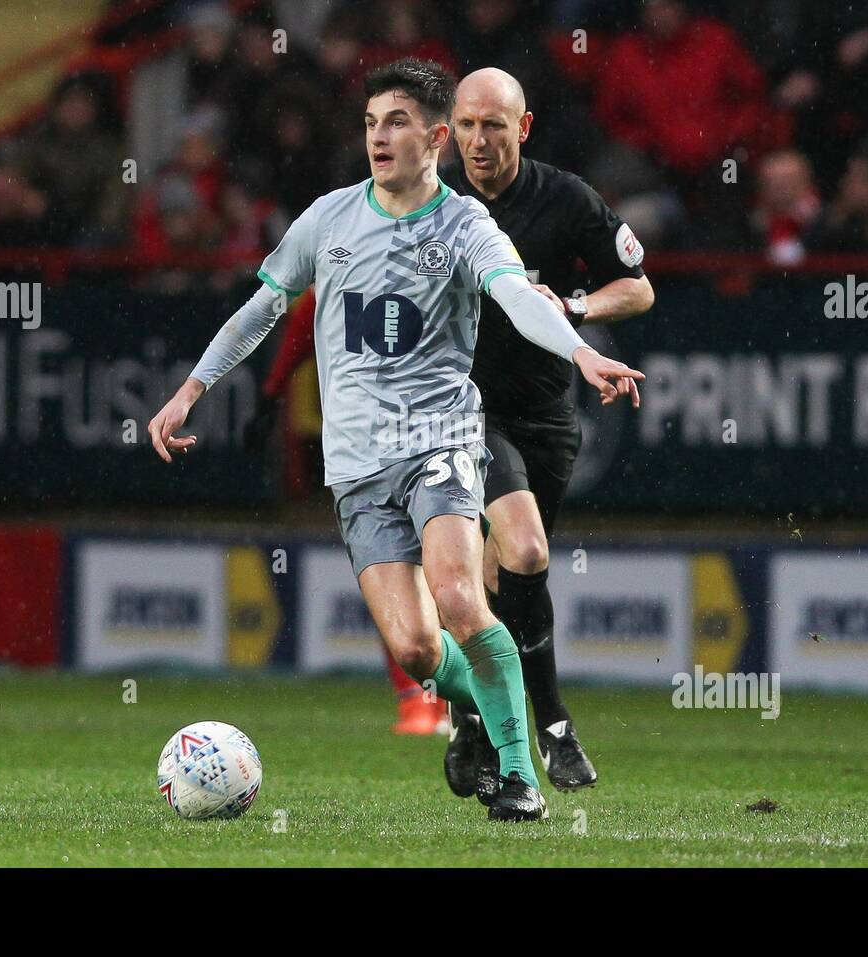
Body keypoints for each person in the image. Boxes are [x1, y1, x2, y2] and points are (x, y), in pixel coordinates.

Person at [148, 58, 644, 822]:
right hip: (356, 463)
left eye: (398, 122)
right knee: (416, 648)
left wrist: (581, 348)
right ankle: (481, 706)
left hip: (442, 440)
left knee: (458, 595)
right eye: (372, 122)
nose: (379, 136)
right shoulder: (329, 218)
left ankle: (519, 776)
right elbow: (262, 308)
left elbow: (518, 296)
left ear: (435, 138)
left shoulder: (466, 223)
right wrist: (190, 390)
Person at [441, 68, 655, 802]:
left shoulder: (566, 198)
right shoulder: (431, 202)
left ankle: (474, 714)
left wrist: (572, 304)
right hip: (463, 414)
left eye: (494, 125)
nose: (478, 140)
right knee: (523, 548)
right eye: (466, 124)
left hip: (546, 415)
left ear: (522, 129)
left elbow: (639, 285)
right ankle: (554, 723)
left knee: (511, 579)